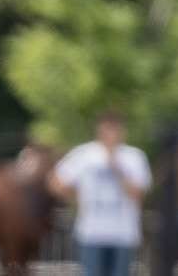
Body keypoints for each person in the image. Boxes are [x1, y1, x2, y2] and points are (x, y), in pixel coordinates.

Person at [49, 112, 152, 276]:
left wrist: (116, 168)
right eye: (107, 128)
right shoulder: (84, 154)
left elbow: (138, 194)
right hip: (92, 233)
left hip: (123, 235)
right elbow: (55, 182)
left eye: (115, 129)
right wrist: (76, 199)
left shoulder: (134, 157)